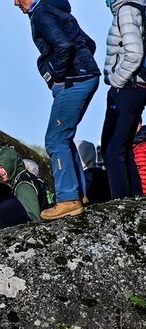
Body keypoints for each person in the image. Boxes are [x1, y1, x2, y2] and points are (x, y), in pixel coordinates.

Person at [15, 0, 100, 220]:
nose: (15, 3)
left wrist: (57, 76)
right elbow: (89, 44)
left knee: (55, 140)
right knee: (64, 137)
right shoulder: (55, 8)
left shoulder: (42, 12)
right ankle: (79, 194)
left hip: (74, 81)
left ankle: (68, 200)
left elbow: (64, 46)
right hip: (85, 76)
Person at [102, 0, 146, 200]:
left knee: (112, 149)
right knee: (123, 148)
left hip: (129, 87)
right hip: (137, 87)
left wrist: (117, 80)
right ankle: (135, 202)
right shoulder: (137, 7)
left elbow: (135, 53)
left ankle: (120, 205)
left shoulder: (126, 9)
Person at [0, 146, 50, 222]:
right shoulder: (28, 178)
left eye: (0, 167)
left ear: (10, 163)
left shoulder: (23, 186)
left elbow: (33, 219)